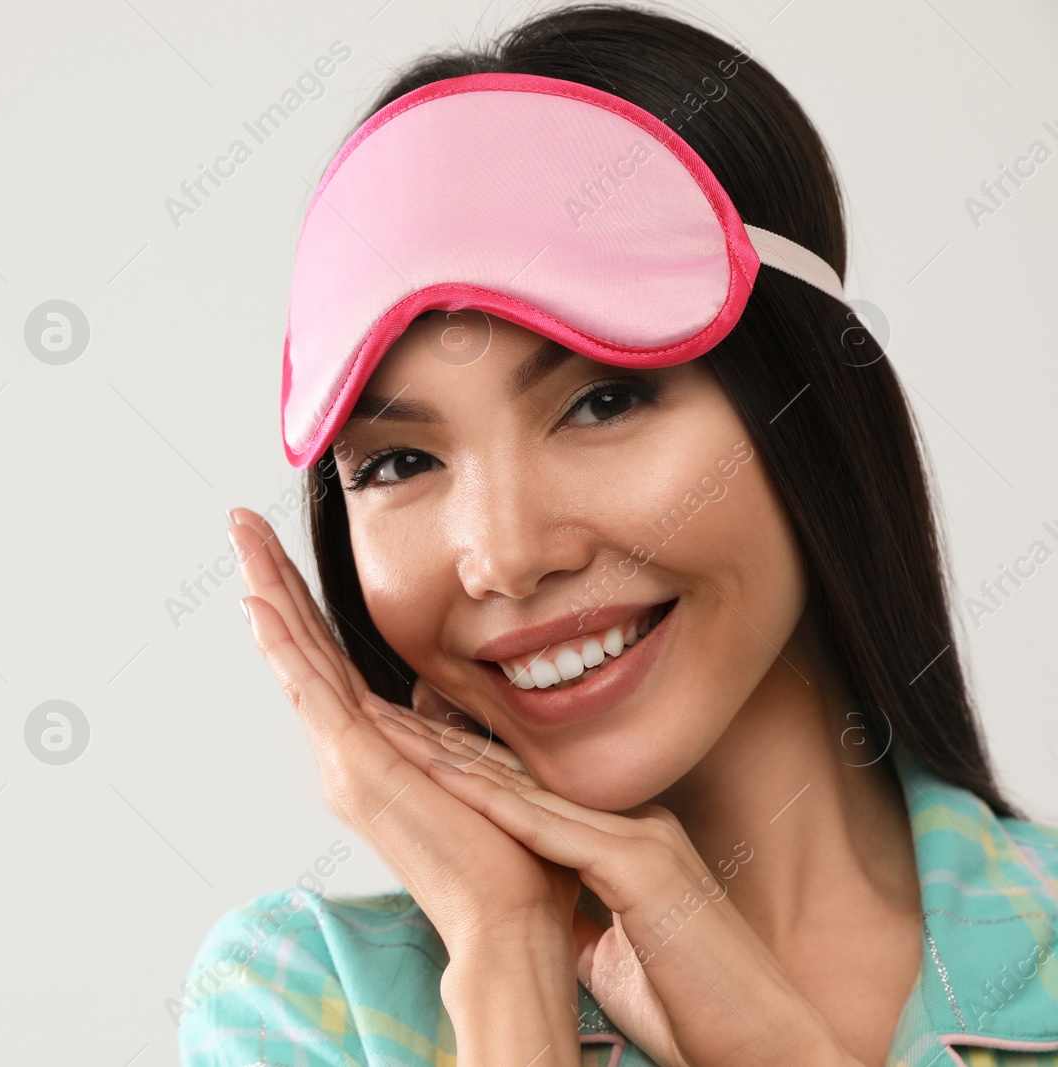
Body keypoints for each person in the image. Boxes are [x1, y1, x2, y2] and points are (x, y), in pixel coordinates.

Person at [177, 4, 1058, 1066]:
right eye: (398, 462)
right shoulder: (305, 1002)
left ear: (806, 409)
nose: (502, 553)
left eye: (601, 401)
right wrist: (505, 956)